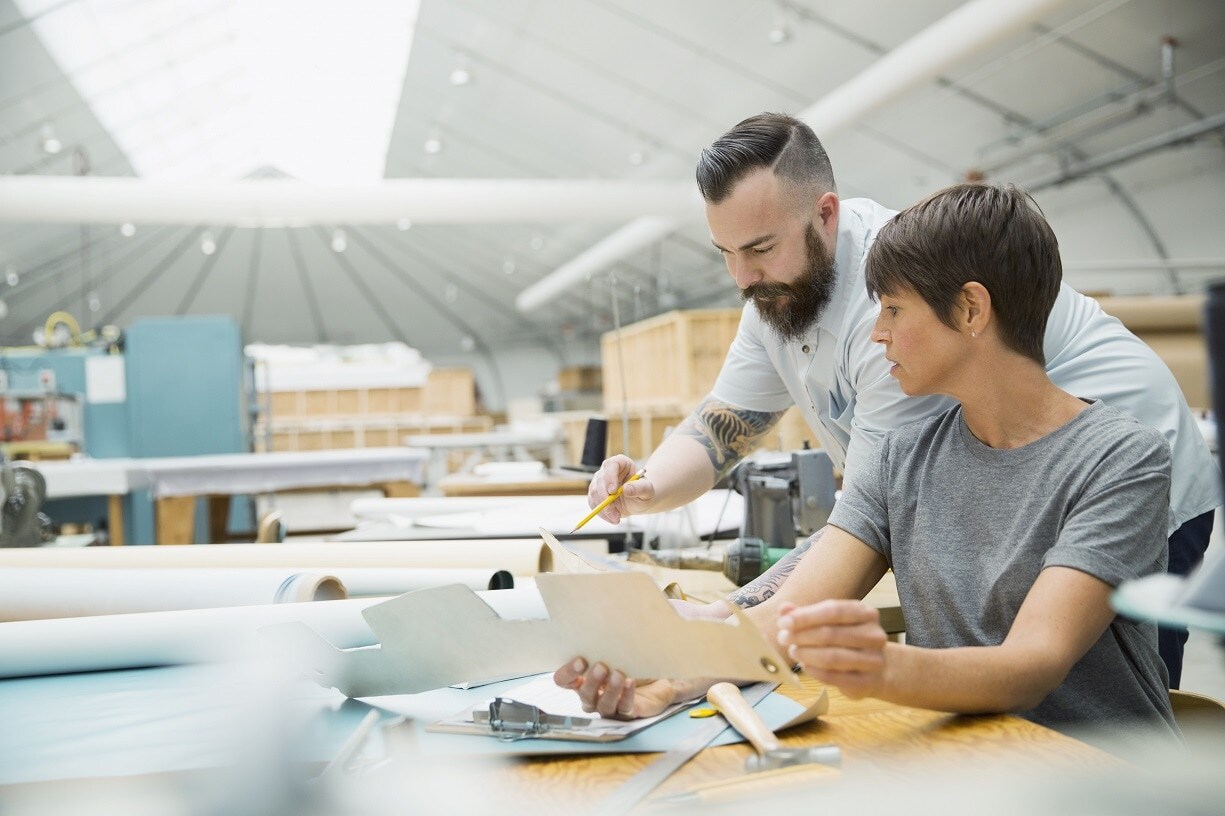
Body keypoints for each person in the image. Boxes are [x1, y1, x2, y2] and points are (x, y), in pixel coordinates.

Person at [584, 112, 1218, 687]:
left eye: (759, 249)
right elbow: (732, 423)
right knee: (997, 669)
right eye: (726, 253)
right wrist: (649, 484)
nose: (742, 277)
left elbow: (869, 525)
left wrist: (736, 618)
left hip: (1114, 473)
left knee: (1096, 691)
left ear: (824, 214)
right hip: (1010, 473)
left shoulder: (897, 316)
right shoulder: (780, 289)